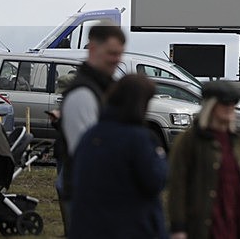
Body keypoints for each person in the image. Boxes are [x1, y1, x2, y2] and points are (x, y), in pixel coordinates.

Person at [69, 75, 168, 239]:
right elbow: (154, 179)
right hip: (132, 226)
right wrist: (161, 159)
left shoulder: (90, 136)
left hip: (90, 225)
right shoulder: (139, 139)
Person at [57, 24, 124, 234]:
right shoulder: (83, 94)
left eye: (119, 54)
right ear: (93, 49)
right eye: (111, 53)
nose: (116, 59)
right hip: (88, 194)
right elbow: (87, 153)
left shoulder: (105, 89)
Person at [168, 80, 240, 239]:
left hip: (237, 223)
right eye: (224, 103)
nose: (230, 107)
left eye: (233, 103)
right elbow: (177, 186)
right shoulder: (189, 142)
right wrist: (178, 227)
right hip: (206, 226)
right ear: (211, 106)